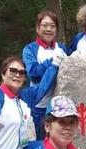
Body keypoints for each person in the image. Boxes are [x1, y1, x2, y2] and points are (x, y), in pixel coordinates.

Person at [23, 10, 68, 138]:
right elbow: (33, 73)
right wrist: (52, 61)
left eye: (52, 26)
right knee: (40, 144)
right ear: (38, 28)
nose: (49, 29)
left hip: (60, 106)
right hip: (39, 107)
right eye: (45, 25)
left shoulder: (62, 48)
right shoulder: (30, 49)